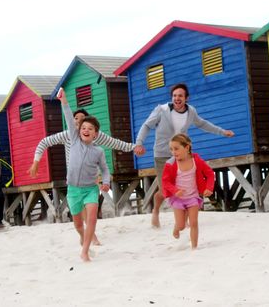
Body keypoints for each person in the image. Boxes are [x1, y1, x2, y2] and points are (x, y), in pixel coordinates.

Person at [28, 105, 144, 245]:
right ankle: (88, 236)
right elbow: (44, 142)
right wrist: (36, 162)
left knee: (88, 208)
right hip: (74, 180)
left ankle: (90, 236)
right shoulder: (68, 134)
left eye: (82, 119)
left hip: (90, 178)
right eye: (75, 119)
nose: (78, 121)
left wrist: (133, 147)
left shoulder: (96, 135)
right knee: (80, 209)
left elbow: (115, 143)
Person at [133, 83, 234, 227]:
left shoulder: (191, 111)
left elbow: (202, 124)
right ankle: (155, 211)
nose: (177, 98)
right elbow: (146, 125)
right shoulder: (161, 110)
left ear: (187, 98)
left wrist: (222, 131)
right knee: (166, 189)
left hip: (183, 154)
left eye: (180, 95)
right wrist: (139, 143)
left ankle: (182, 220)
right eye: (174, 95)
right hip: (162, 154)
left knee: (185, 186)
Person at [58, 87, 111, 262]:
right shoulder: (74, 141)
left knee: (92, 217)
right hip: (73, 189)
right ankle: (83, 237)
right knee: (78, 224)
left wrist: (106, 182)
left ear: (95, 133)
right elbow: (67, 115)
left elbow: (104, 169)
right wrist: (64, 100)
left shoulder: (98, 151)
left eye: (90, 128)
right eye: (83, 128)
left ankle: (85, 250)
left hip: (90, 189)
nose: (86, 130)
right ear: (79, 131)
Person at [161, 133, 214, 249]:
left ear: (187, 147)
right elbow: (165, 182)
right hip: (178, 199)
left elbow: (210, 174)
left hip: (193, 197)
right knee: (181, 226)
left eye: (176, 149)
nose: (173, 152)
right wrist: (175, 190)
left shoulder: (196, 161)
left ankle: (194, 247)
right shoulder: (170, 164)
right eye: (171, 149)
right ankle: (177, 226)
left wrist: (209, 188)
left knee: (194, 223)